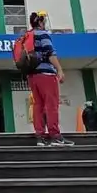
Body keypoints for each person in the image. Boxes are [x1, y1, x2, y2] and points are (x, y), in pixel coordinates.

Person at [26, 11, 73, 147]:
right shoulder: (43, 34)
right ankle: (55, 136)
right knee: (51, 105)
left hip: (32, 76)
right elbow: (50, 53)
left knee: (38, 105)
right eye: (44, 22)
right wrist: (59, 69)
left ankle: (40, 136)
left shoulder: (28, 36)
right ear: (40, 22)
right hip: (46, 74)